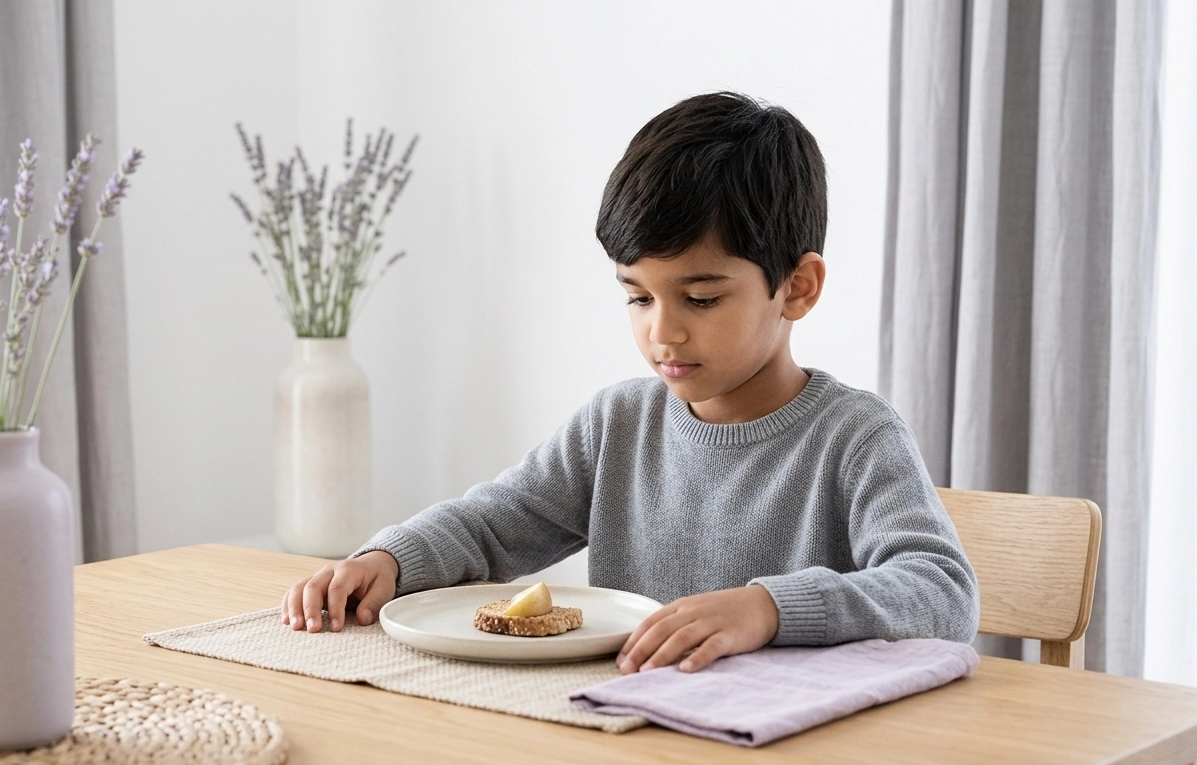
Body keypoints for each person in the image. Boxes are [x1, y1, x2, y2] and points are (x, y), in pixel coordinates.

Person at [281, 91, 979, 675]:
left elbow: (941, 591)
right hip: (627, 726)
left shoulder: (855, 437)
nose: (662, 332)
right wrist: (392, 557)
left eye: (700, 300)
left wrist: (768, 608)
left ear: (796, 288)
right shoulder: (619, 423)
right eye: (638, 297)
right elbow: (494, 521)